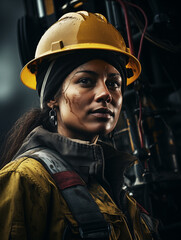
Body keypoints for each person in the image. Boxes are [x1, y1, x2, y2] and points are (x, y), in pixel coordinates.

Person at [0, 11, 159, 240]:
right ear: (51, 98)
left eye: (114, 83)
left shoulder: (119, 195)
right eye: (86, 81)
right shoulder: (25, 180)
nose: (106, 94)